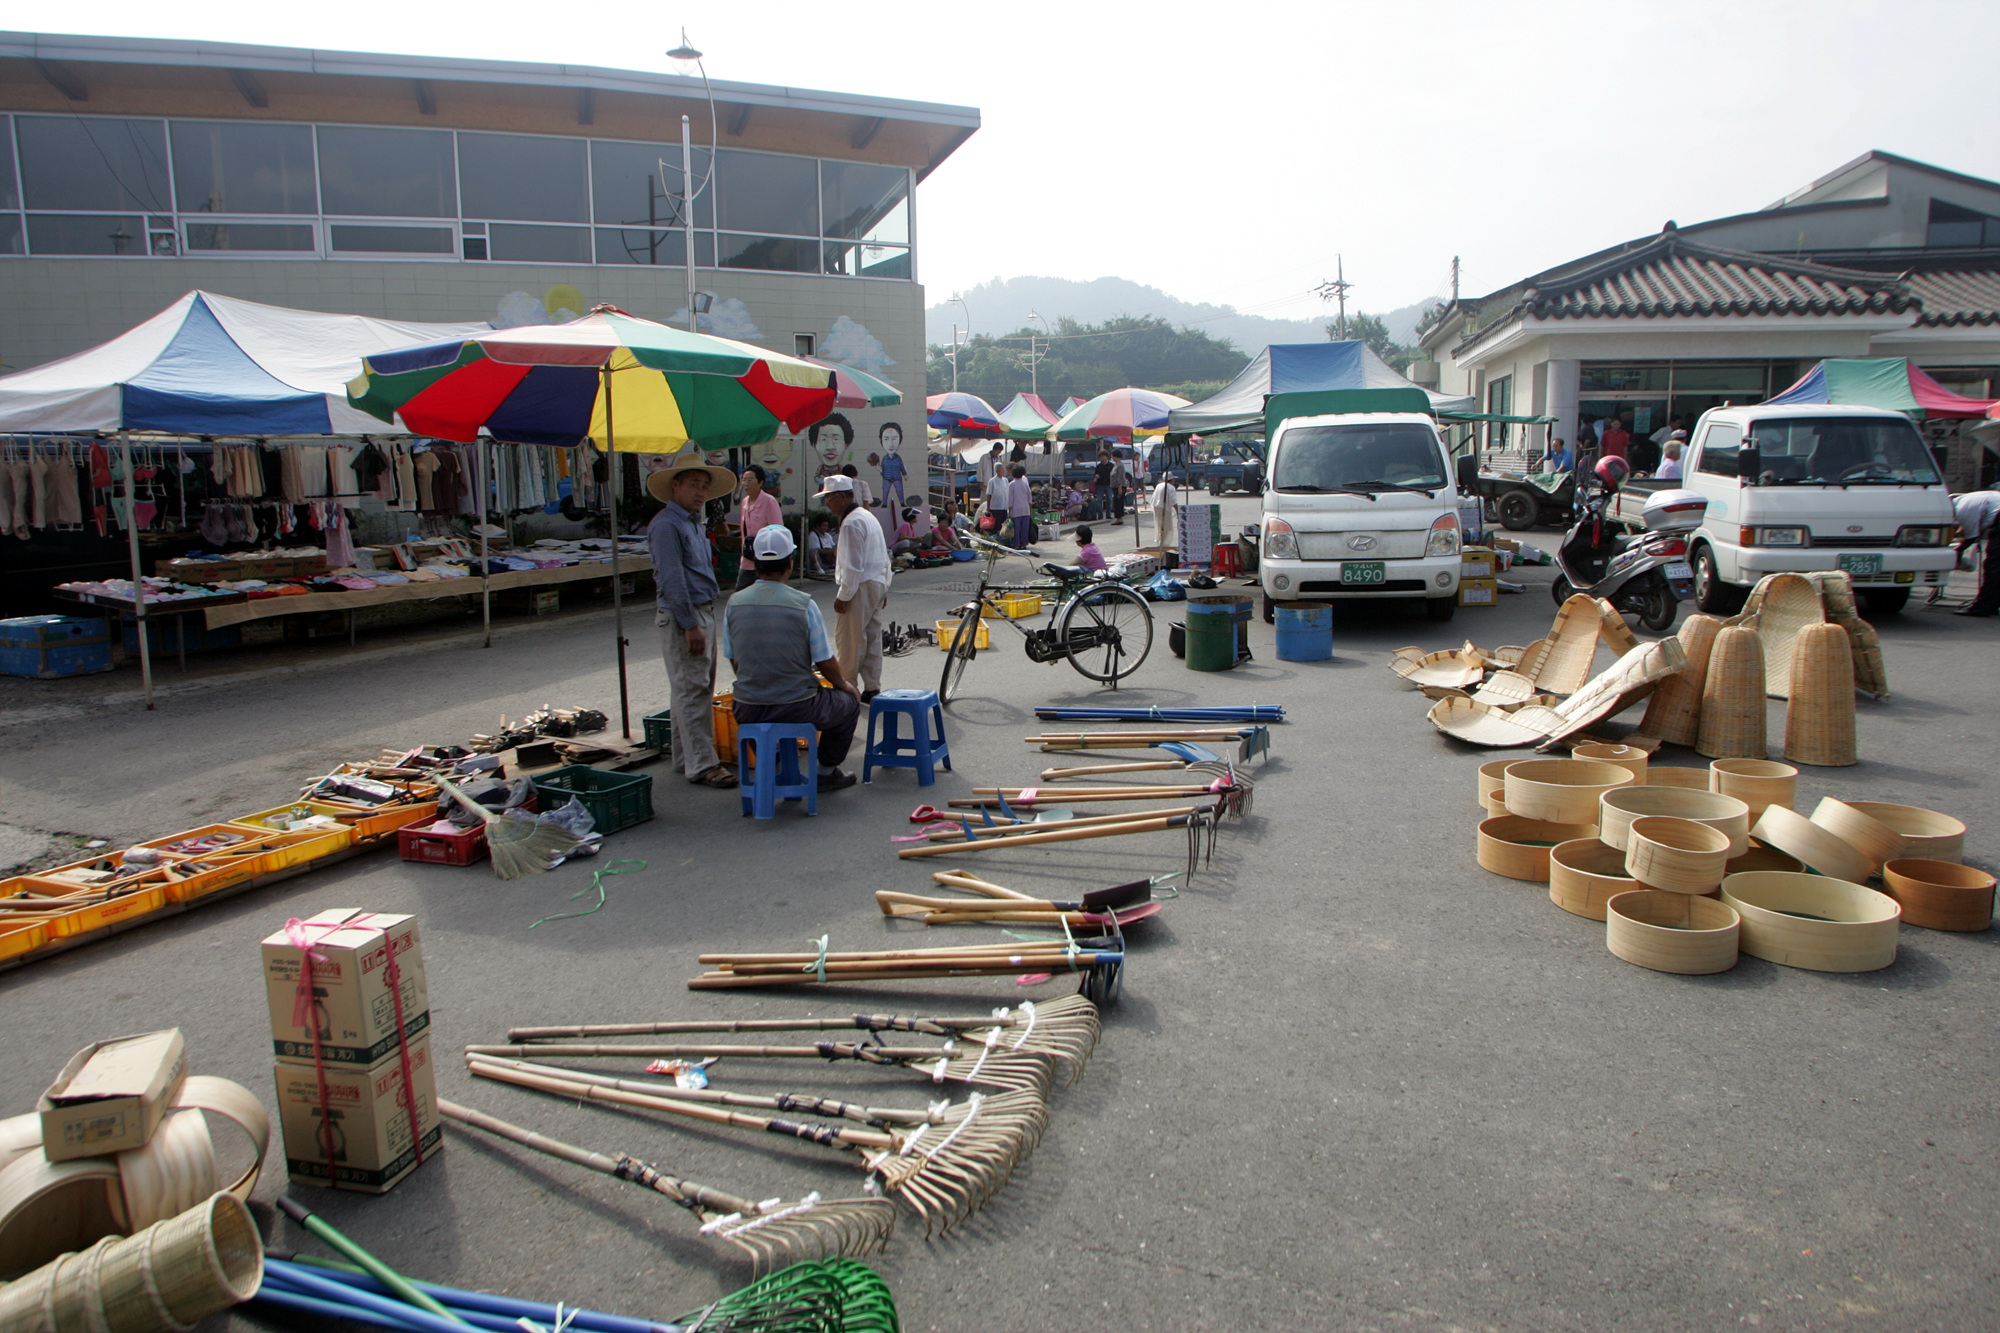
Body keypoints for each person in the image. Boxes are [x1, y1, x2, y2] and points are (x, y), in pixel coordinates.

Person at [722, 523, 862, 792]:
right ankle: (825, 772)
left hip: (747, 706)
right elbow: (824, 660)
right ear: (790, 563)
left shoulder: (734, 602)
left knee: (753, 716)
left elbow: (735, 658)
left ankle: (773, 768)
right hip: (797, 704)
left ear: (756, 563)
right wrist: (846, 687)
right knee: (847, 704)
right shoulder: (803, 604)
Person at [646, 448, 740, 790]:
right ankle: (703, 764)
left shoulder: (692, 523)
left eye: (704, 485)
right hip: (683, 615)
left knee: (689, 687)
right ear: (676, 486)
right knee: (692, 689)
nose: (700, 492)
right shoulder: (667, 525)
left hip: (701, 610)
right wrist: (689, 625)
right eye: (694, 485)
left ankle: (687, 757)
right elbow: (671, 579)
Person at [817, 474, 891, 699]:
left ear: (840, 497)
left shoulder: (851, 523)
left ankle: (847, 687)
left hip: (860, 586)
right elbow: (883, 557)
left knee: (850, 640)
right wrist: (884, 587)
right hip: (876, 583)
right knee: (871, 639)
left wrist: (844, 595)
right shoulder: (867, 517)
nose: (827, 504)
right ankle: (872, 686)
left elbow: (852, 567)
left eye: (828, 498)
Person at [732, 464, 783, 592]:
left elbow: (778, 532)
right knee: (740, 594)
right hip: (747, 559)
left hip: (764, 561)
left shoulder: (769, 501)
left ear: (760, 482)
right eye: (744, 480)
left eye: (750, 480)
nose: (746, 483)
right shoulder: (744, 502)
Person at [1952, 489, 2000, 617]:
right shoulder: (1968, 499)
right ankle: (1992, 604)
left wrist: (1957, 551)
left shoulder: (1963, 509)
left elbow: (1972, 536)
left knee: (1994, 568)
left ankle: (1982, 607)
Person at [878, 423, 907, 510]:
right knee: (885, 491)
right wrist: (878, 468)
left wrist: (905, 474)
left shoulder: (898, 458)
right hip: (886, 478)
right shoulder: (884, 459)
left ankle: (902, 502)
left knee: (900, 491)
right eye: (886, 439)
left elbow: (901, 467)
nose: (891, 444)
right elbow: (882, 469)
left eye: (894, 439)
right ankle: (884, 503)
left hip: (897, 478)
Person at [1007, 463, 1034, 548]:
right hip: (1025, 509)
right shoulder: (1025, 483)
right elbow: (1029, 497)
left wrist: (1009, 511)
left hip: (1016, 510)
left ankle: (1016, 544)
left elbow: (1010, 499)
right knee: (1024, 529)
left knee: (1017, 529)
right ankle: (1024, 544)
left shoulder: (1012, 484)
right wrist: (1030, 510)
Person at [1151, 472, 1178, 551]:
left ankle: (1159, 541)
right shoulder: (1171, 487)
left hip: (1157, 507)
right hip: (1165, 509)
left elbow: (1153, 499)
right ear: (1172, 480)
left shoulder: (1159, 485)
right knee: (1167, 527)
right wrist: (1178, 512)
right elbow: (1174, 502)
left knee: (1159, 525)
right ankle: (1164, 545)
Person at [805, 513, 837, 579]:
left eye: (826, 526)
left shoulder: (828, 535)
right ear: (818, 525)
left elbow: (834, 546)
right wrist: (830, 551)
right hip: (820, 560)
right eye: (823, 526)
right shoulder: (813, 535)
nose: (825, 528)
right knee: (813, 552)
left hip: (830, 559)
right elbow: (817, 551)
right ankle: (819, 568)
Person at [1092, 450, 1114, 520]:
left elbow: (1114, 475)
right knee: (1099, 500)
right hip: (1100, 485)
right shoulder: (1099, 466)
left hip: (1109, 485)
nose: (1102, 458)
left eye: (1103, 457)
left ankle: (1108, 514)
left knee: (1109, 499)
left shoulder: (1111, 465)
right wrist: (1096, 477)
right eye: (1101, 457)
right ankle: (1100, 515)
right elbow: (1095, 475)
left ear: (1107, 457)